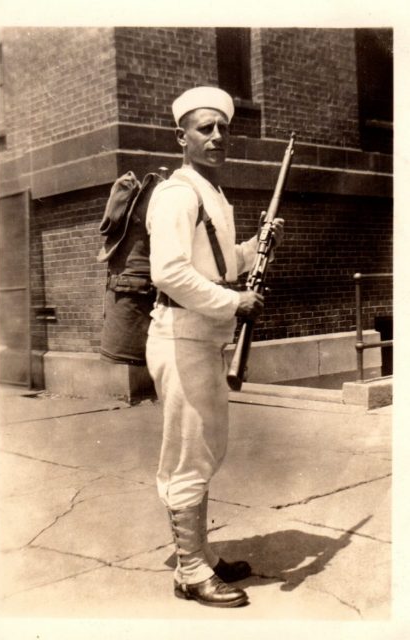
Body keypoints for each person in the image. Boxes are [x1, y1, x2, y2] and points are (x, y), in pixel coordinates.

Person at [145, 86, 284, 608]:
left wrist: (257, 247)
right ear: (180, 137)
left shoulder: (213, 193)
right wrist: (234, 304)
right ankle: (190, 571)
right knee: (187, 457)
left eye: (222, 128)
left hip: (204, 338)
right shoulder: (178, 194)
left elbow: (221, 268)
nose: (217, 137)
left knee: (204, 452)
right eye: (205, 129)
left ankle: (199, 553)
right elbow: (171, 272)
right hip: (181, 335)